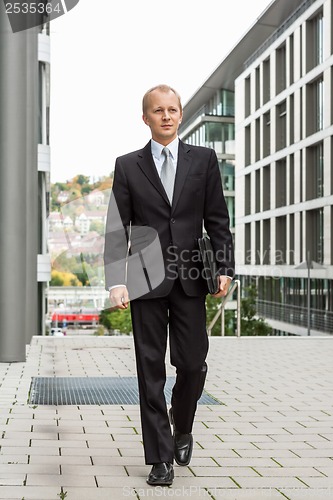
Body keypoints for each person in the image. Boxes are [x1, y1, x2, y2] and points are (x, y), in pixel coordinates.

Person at [104, 84, 234, 486]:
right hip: (144, 278)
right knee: (149, 369)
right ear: (145, 118)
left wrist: (225, 267)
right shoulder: (128, 165)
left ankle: (183, 422)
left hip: (193, 277)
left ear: (180, 115)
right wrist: (115, 282)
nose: (166, 116)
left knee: (192, 363)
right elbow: (116, 227)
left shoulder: (204, 160)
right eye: (157, 110)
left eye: (172, 110)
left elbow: (217, 218)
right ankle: (159, 458)